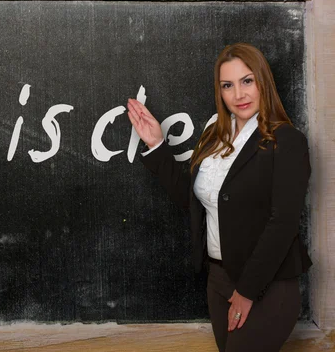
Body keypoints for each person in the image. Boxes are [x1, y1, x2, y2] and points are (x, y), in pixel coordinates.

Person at [127, 42, 312, 352]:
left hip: (266, 286)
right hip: (219, 280)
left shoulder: (287, 141)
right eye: (228, 85)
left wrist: (247, 291)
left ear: (263, 81)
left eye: (247, 81)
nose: (238, 94)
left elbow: (283, 223)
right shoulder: (215, 133)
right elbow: (196, 203)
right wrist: (157, 145)